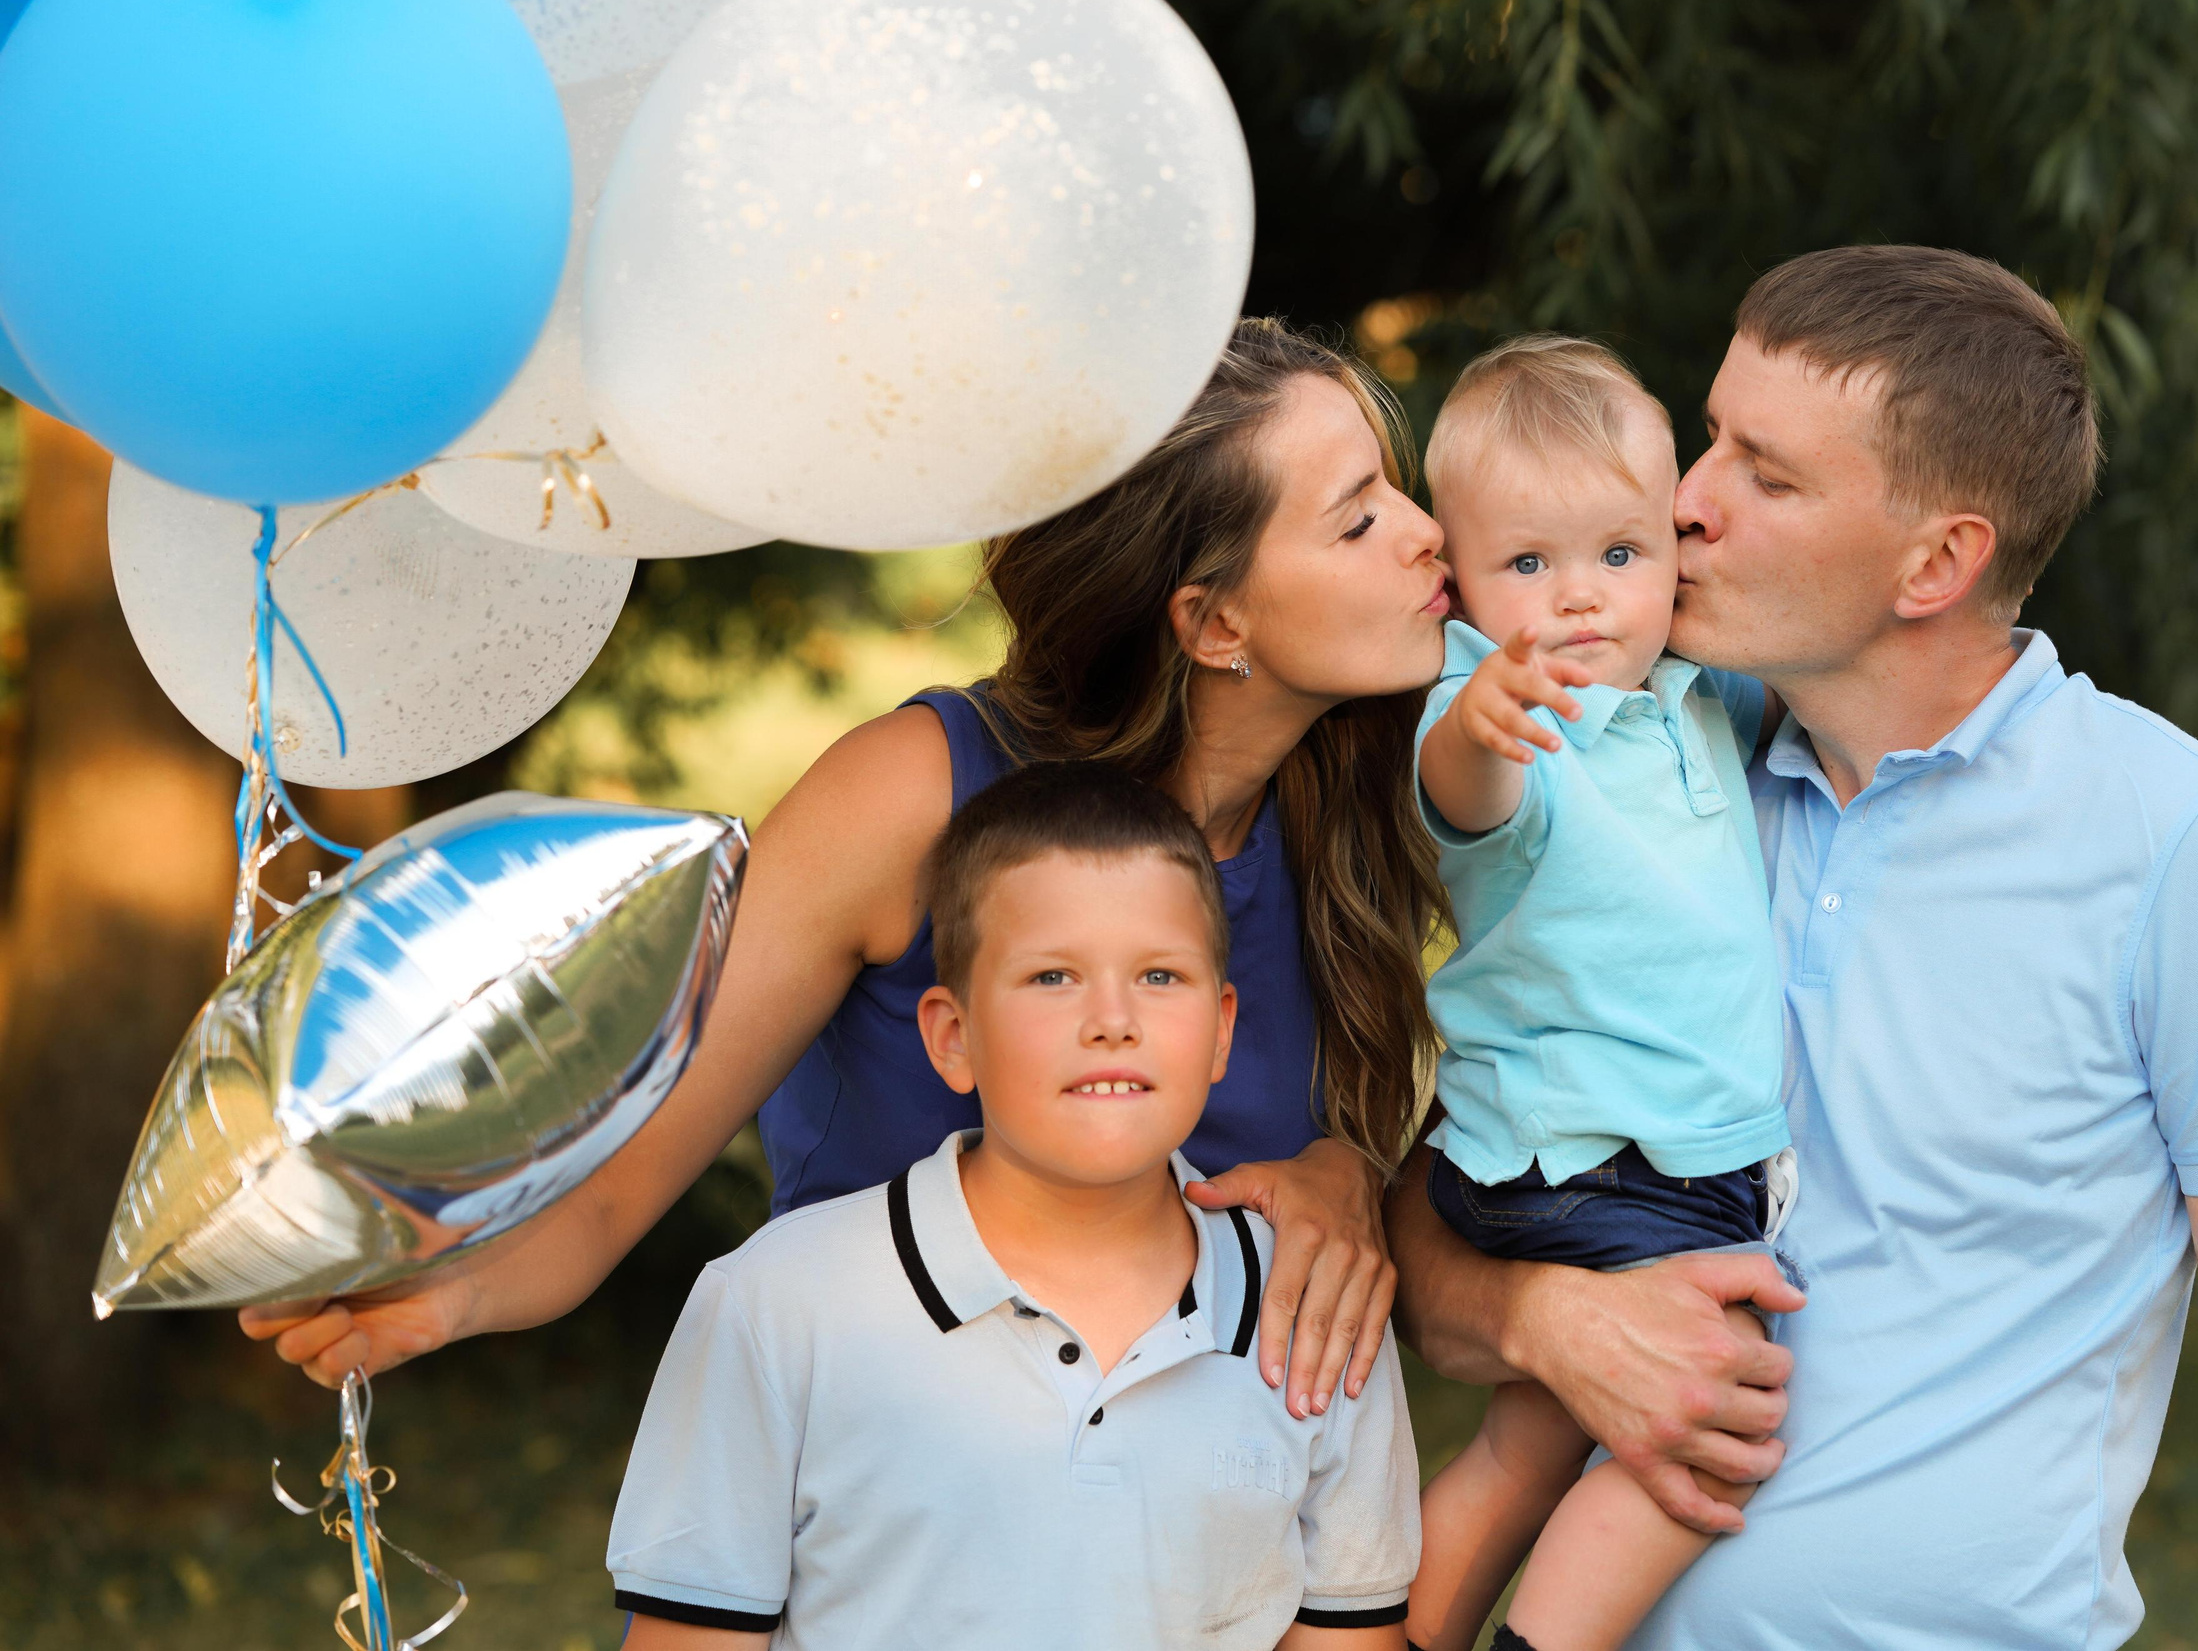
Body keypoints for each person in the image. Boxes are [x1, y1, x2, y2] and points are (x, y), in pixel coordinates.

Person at [1391, 246, 2198, 1650]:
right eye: (1712, 438)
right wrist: (1551, 1325)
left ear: (1938, 562)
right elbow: (1437, 1248)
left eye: (1766, 475)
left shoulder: (2191, 853)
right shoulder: (1660, 773)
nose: (1686, 504)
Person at [247, 319, 1460, 1431]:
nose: (1425, 533)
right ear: (1214, 626)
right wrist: (449, 1292)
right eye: (1356, 520)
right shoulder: (914, 796)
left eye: (1393, 493)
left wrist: (1343, 1167)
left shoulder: (1361, 798)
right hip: (881, 1487)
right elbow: (626, 1172)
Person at [608, 763, 1419, 1651]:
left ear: (1222, 1030)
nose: (1112, 1019)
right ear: (953, 1038)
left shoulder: (1317, 1309)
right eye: (1051, 977)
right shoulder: (775, 1306)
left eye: (1158, 976)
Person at [1398, 338, 1797, 1651]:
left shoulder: (1689, 698)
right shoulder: (1506, 713)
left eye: (1619, 556)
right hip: (1600, 1151)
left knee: (1529, 1447)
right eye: (1527, 565)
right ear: (1457, 577)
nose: (1579, 599)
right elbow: (1467, 802)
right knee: (1710, 1426)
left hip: (1628, 1149)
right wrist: (1483, 719)